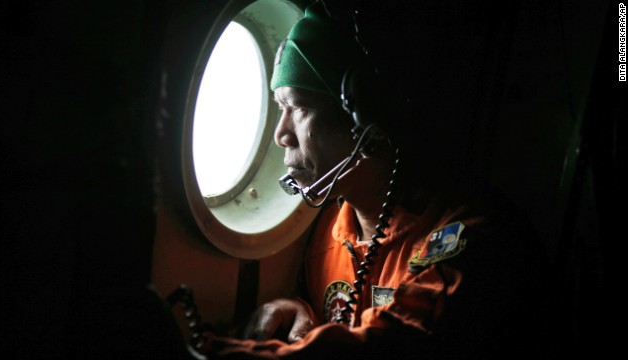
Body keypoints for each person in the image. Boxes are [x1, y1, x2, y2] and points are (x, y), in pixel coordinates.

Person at [195, 1, 547, 358]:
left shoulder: (469, 236)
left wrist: (211, 351)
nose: (281, 134)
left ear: (367, 122)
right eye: (279, 108)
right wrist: (301, 313)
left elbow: (394, 345)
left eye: (298, 107)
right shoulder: (331, 231)